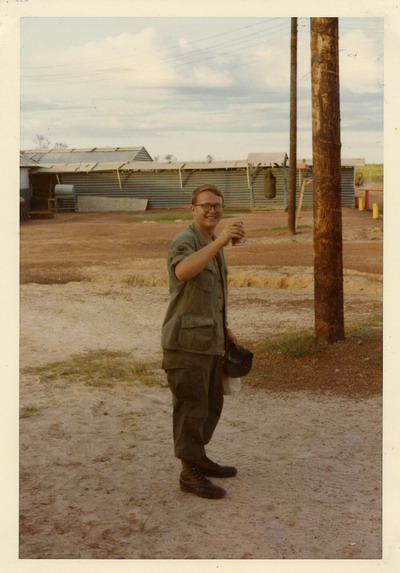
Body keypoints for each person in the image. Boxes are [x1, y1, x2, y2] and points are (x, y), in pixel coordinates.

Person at [161, 183, 245, 499]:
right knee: (190, 408)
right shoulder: (185, 240)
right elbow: (182, 272)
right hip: (185, 344)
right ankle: (189, 473)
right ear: (193, 209)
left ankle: (199, 458)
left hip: (209, 339)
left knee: (210, 405)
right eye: (206, 205)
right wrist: (221, 240)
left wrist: (225, 329)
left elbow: (213, 296)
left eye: (217, 205)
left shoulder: (211, 242)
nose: (212, 211)